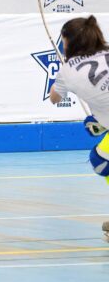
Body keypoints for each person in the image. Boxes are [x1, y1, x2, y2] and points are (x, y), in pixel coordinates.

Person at [47, 15, 109, 241]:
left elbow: (54, 98)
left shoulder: (67, 71)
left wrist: (62, 76)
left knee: (101, 162)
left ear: (69, 42)